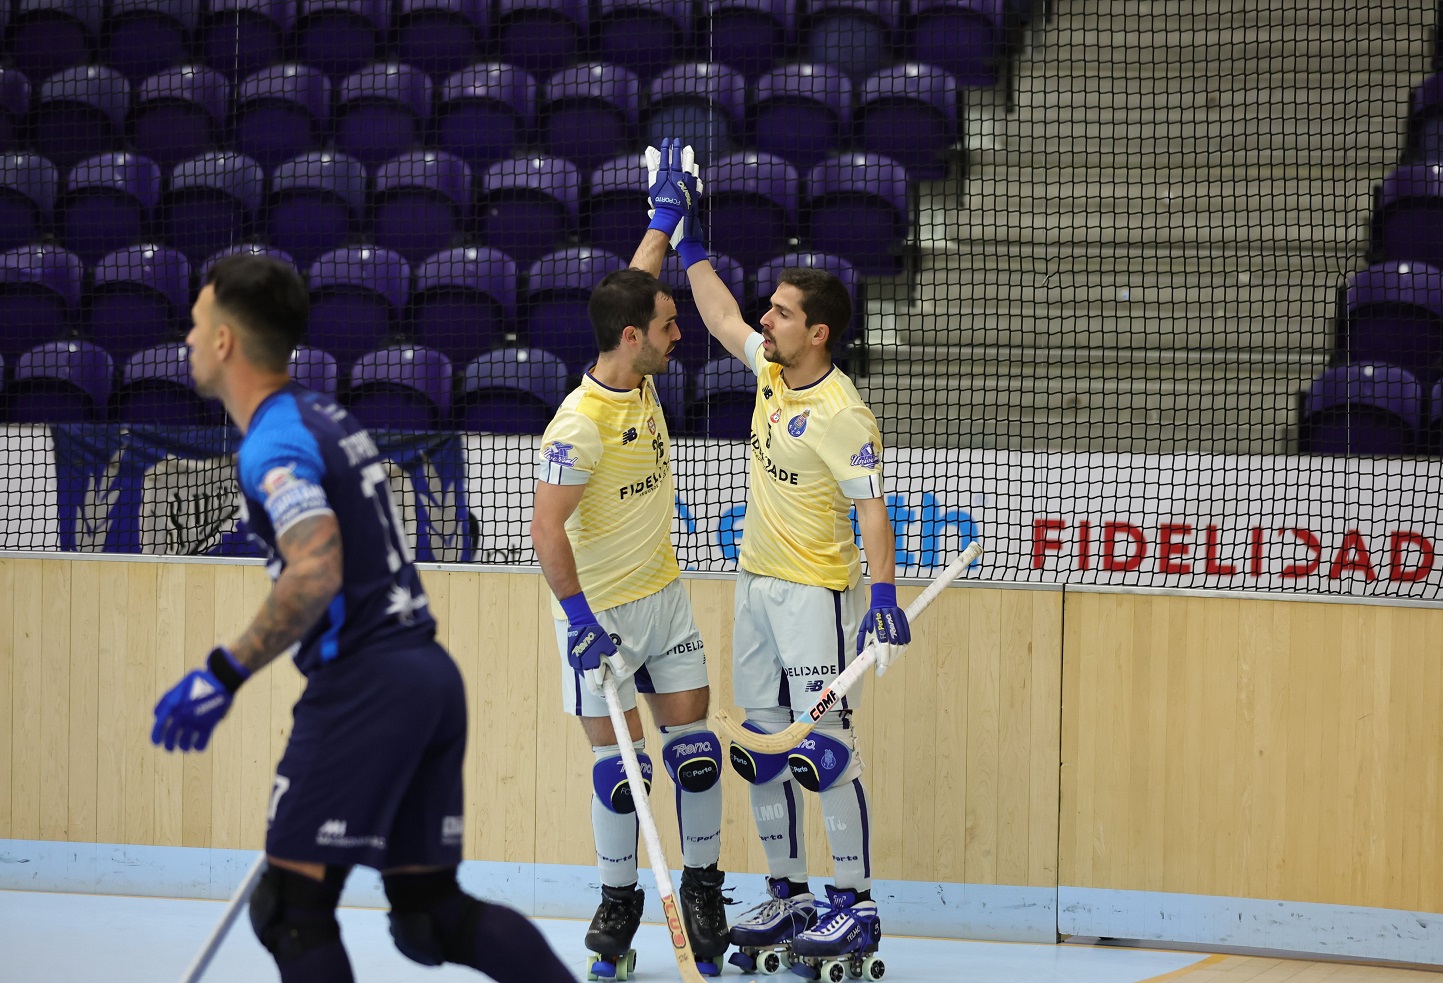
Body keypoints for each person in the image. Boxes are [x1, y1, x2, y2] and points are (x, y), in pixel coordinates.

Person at [150, 253, 577, 983]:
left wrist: (223, 673)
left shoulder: (275, 442)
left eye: (195, 324)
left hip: (367, 684)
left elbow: (315, 571)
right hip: (426, 677)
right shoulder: (323, 414)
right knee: (429, 914)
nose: (187, 339)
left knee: (291, 908)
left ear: (223, 340)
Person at [644, 138, 912, 980]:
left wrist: (882, 596)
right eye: (771, 309)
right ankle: (788, 893)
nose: (766, 320)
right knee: (757, 746)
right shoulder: (767, 368)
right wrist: (688, 242)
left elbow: (871, 508)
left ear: (817, 332)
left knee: (820, 749)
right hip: (755, 585)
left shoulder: (842, 413)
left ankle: (853, 904)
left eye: (783, 313)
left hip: (813, 594)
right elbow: (720, 314)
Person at [528, 232, 730, 975]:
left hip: (663, 599)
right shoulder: (578, 426)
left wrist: (662, 224)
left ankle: (703, 892)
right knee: (621, 775)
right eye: (668, 326)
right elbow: (545, 529)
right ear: (631, 337)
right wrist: (580, 621)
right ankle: (618, 901)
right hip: (598, 617)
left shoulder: (637, 375)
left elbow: (633, 286)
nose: (679, 335)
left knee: (696, 757)